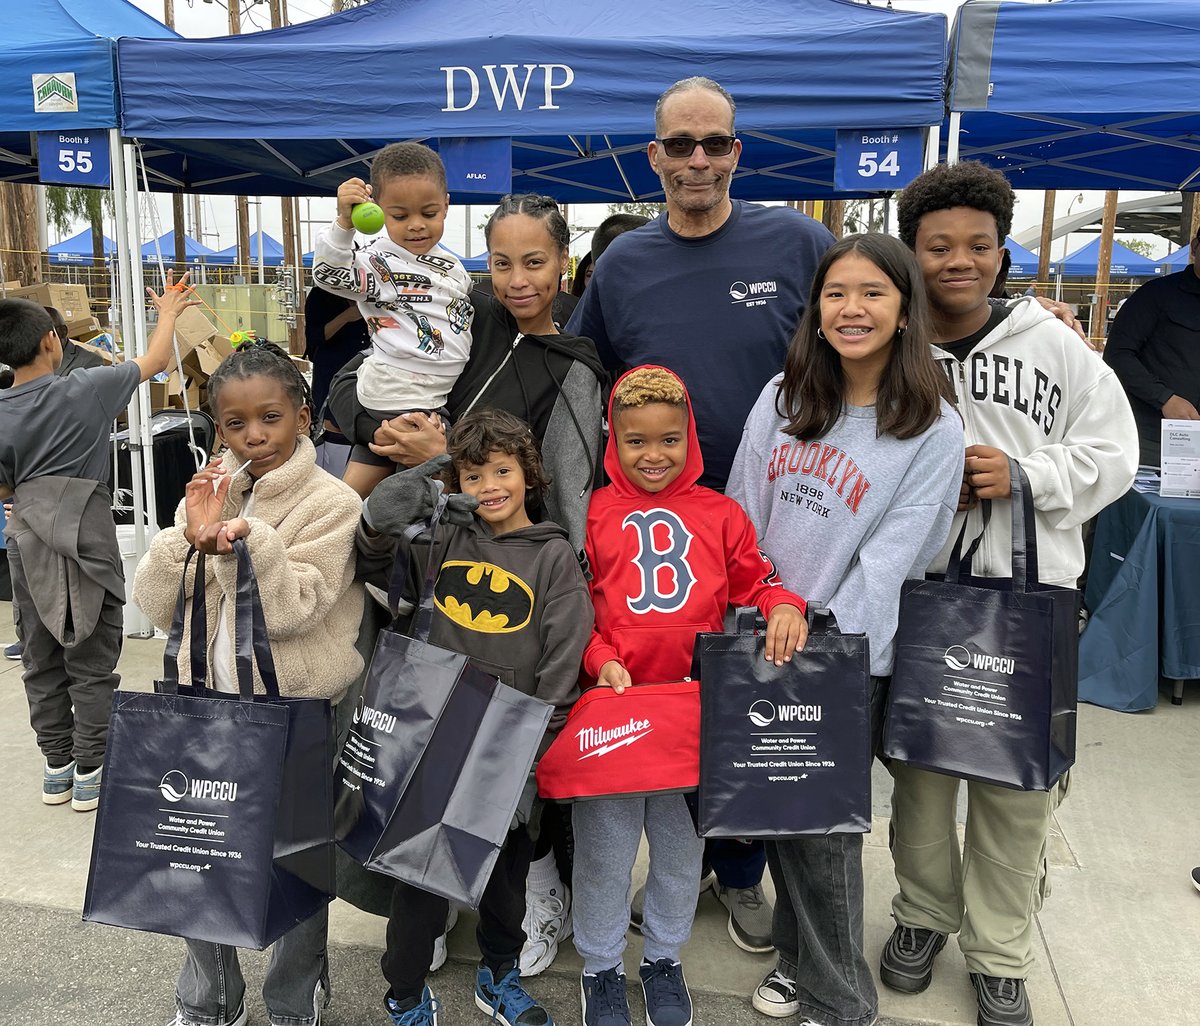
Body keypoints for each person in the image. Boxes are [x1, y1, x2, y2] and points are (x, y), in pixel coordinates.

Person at [567, 74, 836, 956]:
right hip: (647, 526)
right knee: (671, 697)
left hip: (767, 512)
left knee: (749, 698)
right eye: (679, 145)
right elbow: (585, 378)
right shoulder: (623, 264)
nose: (696, 160)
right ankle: (669, 882)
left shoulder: (797, 243)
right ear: (654, 157)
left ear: (736, 151)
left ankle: (742, 869)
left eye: (713, 143)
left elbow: (857, 337)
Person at [884, 160, 1138, 1026]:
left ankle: (999, 953)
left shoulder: (1052, 342)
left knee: (1017, 788)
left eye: (979, 245)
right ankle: (922, 916)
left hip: (1028, 599)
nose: (959, 260)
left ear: (1002, 252)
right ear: (912, 254)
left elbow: (1116, 456)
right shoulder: (888, 344)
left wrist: (1023, 473)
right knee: (919, 777)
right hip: (922, 599)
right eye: (938, 246)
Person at [727, 233, 964, 1026]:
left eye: (873, 293)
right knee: (786, 817)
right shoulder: (783, 396)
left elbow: (901, 556)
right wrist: (763, 603)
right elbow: (742, 515)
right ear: (816, 307)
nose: (852, 309)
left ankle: (842, 1002)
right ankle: (797, 965)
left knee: (822, 830)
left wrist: (814, 631)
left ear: (904, 312)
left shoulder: (931, 429)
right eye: (836, 293)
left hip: (846, 650)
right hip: (762, 627)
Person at [133, 340, 366, 1026]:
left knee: (293, 862)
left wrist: (249, 538)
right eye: (236, 424)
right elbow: (153, 604)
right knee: (195, 852)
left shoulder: (333, 502)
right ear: (218, 428)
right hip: (203, 704)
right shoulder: (209, 488)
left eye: (270, 417)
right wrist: (185, 536)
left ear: (304, 416)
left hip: (296, 711)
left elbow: (296, 611)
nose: (254, 435)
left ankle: (295, 995)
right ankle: (209, 994)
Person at [574, 365, 807, 1026]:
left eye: (669, 440)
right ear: (611, 442)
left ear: (691, 438)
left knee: (680, 856)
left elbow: (758, 582)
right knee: (603, 856)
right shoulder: (591, 511)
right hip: (613, 718)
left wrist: (785, 604)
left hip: (688, 719)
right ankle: (598, 967)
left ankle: (664, 959)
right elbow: (575, 611)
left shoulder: (720, 513)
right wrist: (600, 657)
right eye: (636, 441)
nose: (654, 455)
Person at [356, 409, 592, 1026]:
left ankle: (500, 974)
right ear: (454, 481)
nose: (489, 485)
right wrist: (379, 523)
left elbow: (563, 658)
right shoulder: (442, 537)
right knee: (420, 877)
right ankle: (404, 991)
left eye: (502, 470)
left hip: (507, 742)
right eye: (472, 474)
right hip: (433, 734)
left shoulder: (553, 557)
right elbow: (379, 573)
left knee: (504, 876)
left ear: (529, 474)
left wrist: (533, 754)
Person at [0, 277, 198, 811]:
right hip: (87, 536)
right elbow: (155, 360)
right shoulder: (84, 388)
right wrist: (169, 311)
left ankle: (56, 766)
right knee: (92, 652)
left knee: (40, 656)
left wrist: (24, 493)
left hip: (27, 541)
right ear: (50, 340)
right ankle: (92, 768)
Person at [352, 193, 605, 559]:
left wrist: (447, 455)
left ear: (564, 261)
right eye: (503, 264)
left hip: (491, 561)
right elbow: (350, 383)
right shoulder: (459, 317)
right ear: (489, 262)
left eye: (534, 263)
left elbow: (559, 498)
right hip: (400, 545)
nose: (518, 281)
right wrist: (377, 429)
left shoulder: (574, 370)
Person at [312, 141, 474, 499]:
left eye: (429, 213)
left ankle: (334, 526)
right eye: (399, 216)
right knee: (424, 495)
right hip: (402, 395)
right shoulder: (378, 264)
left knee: (358, 496)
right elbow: (327, 274)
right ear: (377, 211)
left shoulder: (451, 264)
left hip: (428, 393)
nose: (416, 226)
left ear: (446, 204)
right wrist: (343, 224)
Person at [1104, 222, 1200, 465]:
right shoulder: (1157, 294)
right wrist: (1164, 398)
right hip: (1155, 441)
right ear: (1195, 247)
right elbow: (1117, 354)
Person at [303, 284, 369, 477]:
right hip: (332, 373)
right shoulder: (321, 295)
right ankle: (333, 477)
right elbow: (314, 338)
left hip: (367, 373)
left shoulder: (372, 294)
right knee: (334, 424)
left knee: (363, 424)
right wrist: (347, 316)